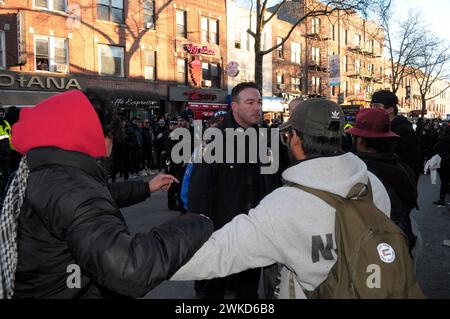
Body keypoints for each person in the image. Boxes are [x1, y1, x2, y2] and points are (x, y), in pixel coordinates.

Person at [0, 90, 213, 299]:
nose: (113, 145)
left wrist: (145, 187)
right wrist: (195, 224)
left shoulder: (49, 169)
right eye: (112, 135)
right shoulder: (72, 186)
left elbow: (95, 197)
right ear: (97, 133)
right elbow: (129, 269)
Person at [172, 98, 392, 298]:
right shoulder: (373, 184)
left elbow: (219, 253)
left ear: (295, 139)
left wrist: (145, 260)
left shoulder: (284, 206)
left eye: (288, 135)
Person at [187, 82, 275, 299]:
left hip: (254, 236)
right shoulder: (214, 141)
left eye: (259, 102)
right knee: (212, 292)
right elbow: (199, 192)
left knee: (248, 292)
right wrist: (202, 236)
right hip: (221, 237)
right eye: (250, 102)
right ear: (234, 107)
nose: (257, 108)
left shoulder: (265, 139)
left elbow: (270, 183)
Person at [347, 108, 418, 251]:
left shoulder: (357, 172)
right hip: (403, 242)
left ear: (359, 140)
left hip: (375, 250)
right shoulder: (401, 167)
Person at [370, 90, 422, 183]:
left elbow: (413, 164)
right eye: (372, 106)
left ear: (390, 109)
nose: (373, 109)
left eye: (377, 106)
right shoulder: (379, 128)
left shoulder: (404, 131)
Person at [432, 124, 450, 208]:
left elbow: (435, 149)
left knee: (444, 182)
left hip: (444, 162)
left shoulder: (442, 139)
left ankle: (442, 199)